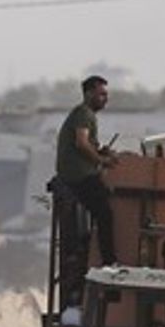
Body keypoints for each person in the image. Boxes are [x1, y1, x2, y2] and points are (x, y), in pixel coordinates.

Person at [55, 75, 121, 268]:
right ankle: (109, 261)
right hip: (78, 175)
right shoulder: (84, 114)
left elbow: (88, 144)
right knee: (105, 212)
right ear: (89, 93)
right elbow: (81, 143)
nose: (105, 99)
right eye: (101, 94)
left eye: (106, 95)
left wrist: (102, 151)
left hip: (80, 172)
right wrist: (102, 160)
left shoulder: (86, 115)